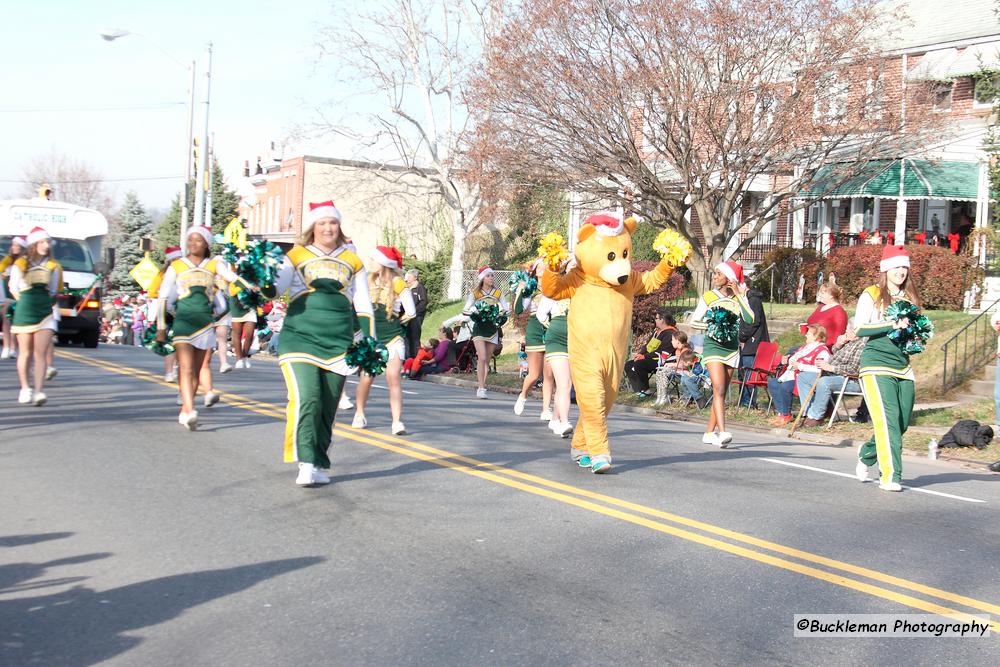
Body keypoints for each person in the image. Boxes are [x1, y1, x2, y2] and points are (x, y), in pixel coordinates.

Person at [267, 200, 375, 486]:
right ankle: (304, 462)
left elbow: (363, 303)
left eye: (333, 222)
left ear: (339, 226)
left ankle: (317, 460)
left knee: (328, 405)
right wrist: (260, 282)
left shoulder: (353, 259)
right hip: (299, 338)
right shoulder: (297, 255)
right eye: (322, 223)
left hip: (338, 342)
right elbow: (276, 288)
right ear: (312, 227)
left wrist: (369, 340)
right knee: (307, 398)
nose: (328, 227)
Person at [156, 225, 242, 430]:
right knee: (185, 368)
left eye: (198, 240)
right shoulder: (176, 266)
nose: (193, 243)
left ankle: (185, 410)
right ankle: (190, 408)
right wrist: (163, 325)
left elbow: (224, 295)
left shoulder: (213, 265)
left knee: (195, 370)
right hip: (183, 324)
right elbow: (164, 297)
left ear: (206, 244)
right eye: (190, 239)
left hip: (204, 325)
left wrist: (246, 283)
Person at [853, 245, 922, 492]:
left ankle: (867, 453)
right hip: (875, 365)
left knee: (901, 423)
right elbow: (860, 329)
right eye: (896, 266)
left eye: (904, 266)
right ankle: (891, 476)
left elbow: (913, 331)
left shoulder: (909, 297)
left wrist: (918, 337)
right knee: (889, 422)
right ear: (886, 269)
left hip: (902, 366)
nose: (901, 271)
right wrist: (890, 323)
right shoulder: (871, 294)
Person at [690, 261, 754, 447]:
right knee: (718, 388)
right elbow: (694, 321)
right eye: (715, 273)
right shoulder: (709, 296)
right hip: (713, 347)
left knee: (722, 391)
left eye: (719, 274)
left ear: (729, 278)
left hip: (732, 349)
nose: (715, 277)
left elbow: (750, 319)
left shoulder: (739, 297)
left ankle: (709, 432)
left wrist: (740, 295)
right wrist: (714, 326)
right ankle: (723, 432)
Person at [354, 245, 415, 436]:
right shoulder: (365, 280)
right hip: (372, 337)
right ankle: (359, 413)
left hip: (393, 337)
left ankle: (397, 421)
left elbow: (411, 311)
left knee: (393, 377)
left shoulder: (398, 283)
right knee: (367, 378)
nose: (371, 263)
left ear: (384, 263)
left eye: (374, 260)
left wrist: (398, 322)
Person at [9, 227, 62, 406]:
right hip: (25, 310)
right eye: (42, 242)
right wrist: (22, 300)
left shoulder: (53, 265)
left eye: (47, 242)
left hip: (45, 312)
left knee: (40, 353)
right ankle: (25, 387)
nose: (46, 245)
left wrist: (46, 301)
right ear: (34, 244)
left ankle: (39, 391)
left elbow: (54, 290)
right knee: (25, 353)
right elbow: (12, 286)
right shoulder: (21, 263)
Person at [512, 260, 554, 420]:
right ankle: (523, 395)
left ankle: (546, 409)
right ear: (535, 271)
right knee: (534, 374)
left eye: (547, 265)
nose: (544, 267)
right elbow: (519, 309)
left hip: (552, 328)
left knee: (549, 374)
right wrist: (520, 291)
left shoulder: (555, 285)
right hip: (535, 329)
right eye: (540, 266)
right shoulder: (531, 288)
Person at [765, 325, 830, 426]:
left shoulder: (822, 350)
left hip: (805, 378)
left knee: (785, 386)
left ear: (816, 337)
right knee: (773, 383)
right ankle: (782, 413)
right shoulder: (804, 347)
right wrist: (786, 359)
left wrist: (800, 366)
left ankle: (786, 415)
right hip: (791, 374)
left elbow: (819, 369)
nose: (806, 335)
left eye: (808, 334)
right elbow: (793, 358)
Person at [801, 331, 865, 427]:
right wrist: (838, 345)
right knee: (804, 377)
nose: (846, 333)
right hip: (832, 374)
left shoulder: (861, 345)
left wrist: (831, 368)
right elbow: (835, 355)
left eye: (848, 330)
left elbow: (854, 369)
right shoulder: (848, 342)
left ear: (855, 331)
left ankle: (816, 417)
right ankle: (808, 414)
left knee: (824, 382)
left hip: (851, 380)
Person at [463, 266, 509, 399]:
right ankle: (481, 387)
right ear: (482, 278)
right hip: (479, 328)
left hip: (492, 329)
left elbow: (506, 309)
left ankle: (483, 385)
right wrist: (476, 312)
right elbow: (466, 309)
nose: (491, 278)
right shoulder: (475, 293)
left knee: (487, 360)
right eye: (488, 276)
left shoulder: (498, 293)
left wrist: (500, 314)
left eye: (492, 276)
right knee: (481, 358)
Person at [537, 294, 573, 437]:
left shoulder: (583, 287)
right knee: (565, 383)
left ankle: (555, 419)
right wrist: (554, 326)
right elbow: (541, 314)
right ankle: (564, 422)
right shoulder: (556, 288)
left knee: (566, 384)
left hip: (577, 340)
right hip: (557, 340)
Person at [147, 246, 183, 382]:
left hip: (184, 311)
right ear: (170, 260)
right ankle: (171, 371)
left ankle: (175, 369)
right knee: (172, 343)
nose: (178, 261)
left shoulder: (185, 271)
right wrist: (164, 296)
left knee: (180, 343)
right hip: (168, 311)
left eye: (180, 259)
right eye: (176, 259)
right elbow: (152, 292)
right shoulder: (163, 274)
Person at [623, 308, 677, 397]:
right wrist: (641, 353)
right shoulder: (657, 332)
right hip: (650, 358)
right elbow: (647, 345)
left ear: (662, 320)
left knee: (639, 364)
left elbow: (662, 351)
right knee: (628, 364)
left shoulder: (670, 333)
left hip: (662, 360)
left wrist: (644, 357)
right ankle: (639, 390)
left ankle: (646, 390)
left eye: (656, 318)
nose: (654, 320)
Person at [737, 282, 769, 407]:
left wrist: (743, 337)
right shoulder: (745, 299)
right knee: (743, 374)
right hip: (747, 342)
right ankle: (743, 400)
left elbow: (753, 322)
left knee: (749, 374)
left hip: (753, 343)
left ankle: (748, 402)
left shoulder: (753, 300)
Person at [1, 236, 26, 359]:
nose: (14, 247)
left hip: (21, 295)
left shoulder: (24, 261)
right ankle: (6, 347)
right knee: (6, 320)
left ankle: (14, 348)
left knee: (17, 322)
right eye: (13, 245)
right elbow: (1, 269)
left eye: (17, 245)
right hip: (8, 295)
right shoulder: (8, 259)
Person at [805, 283, 848, 351]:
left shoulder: (839, 311)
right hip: (811, 346)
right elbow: (812, 326)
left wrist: (830, 350)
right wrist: (804, 329)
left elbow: (839, 335)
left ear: (831, 295)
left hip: (825, 349)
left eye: (823, 293)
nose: (820, 295)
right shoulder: (820, 307)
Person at [404, 268, 428, 360]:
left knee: (415, 337)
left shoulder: (419, 287)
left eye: (409, 277)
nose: (406, 279)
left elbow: (423, 302)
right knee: (406, 337)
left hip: (416, 317)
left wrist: (415, 313)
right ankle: (407, 358)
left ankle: (415, 359)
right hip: (407, 317)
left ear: (414, 277)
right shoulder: (406, 287)